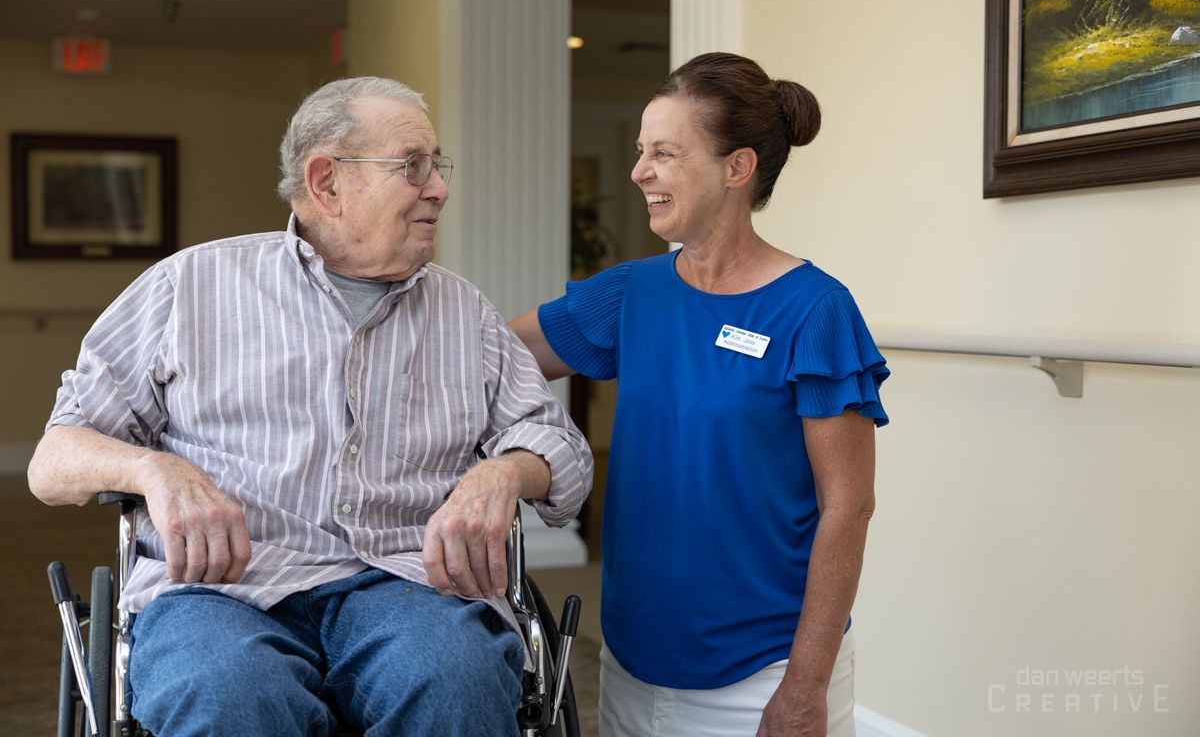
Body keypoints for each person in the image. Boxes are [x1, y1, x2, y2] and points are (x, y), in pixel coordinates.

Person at [27, 76, 593, 737]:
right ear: (326, 182)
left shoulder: (464, 312)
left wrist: (504, 472)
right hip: (223, 589)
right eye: (413, 166)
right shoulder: (188, 287)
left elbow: (560, 448)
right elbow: (53, 460)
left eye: (437, 166)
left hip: (409, 585)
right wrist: (154, 470)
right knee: (227, 693)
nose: (439, 188)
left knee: (457, 680)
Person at [510, 52, 889, 737]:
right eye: (641, 151)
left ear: (737, 168)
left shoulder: (815, 310)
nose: (639, 171)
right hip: (631, 660)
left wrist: (804, 687)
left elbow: (848, 506)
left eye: (664, 153)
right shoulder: (632, 292)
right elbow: (490, 359)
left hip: (767, 674)